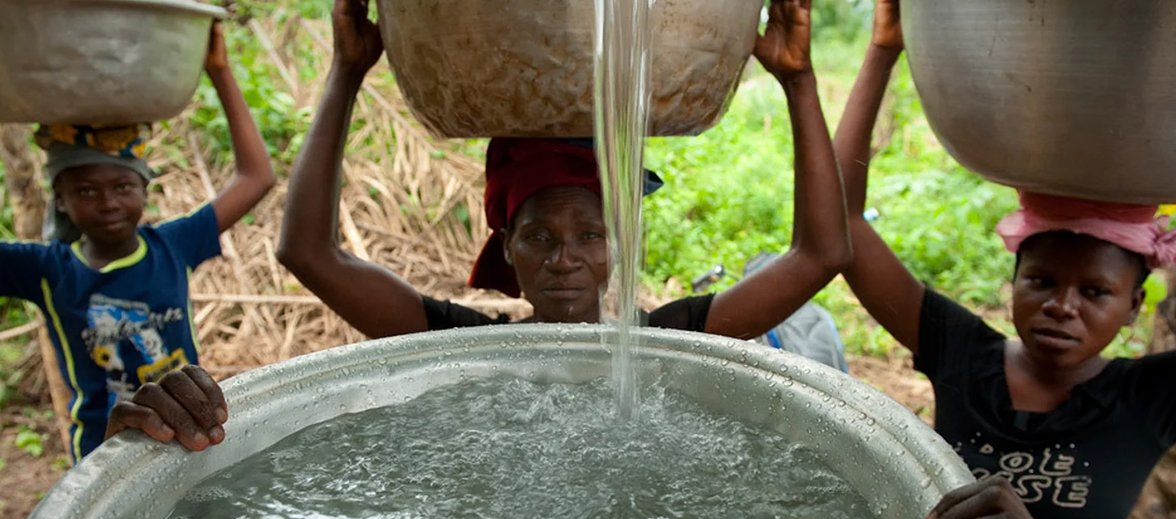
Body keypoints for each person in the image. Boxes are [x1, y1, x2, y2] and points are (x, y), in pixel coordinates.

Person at [835, 1, 1176, 519]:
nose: (1062, 305)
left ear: (1135, 308)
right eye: (1041, 281)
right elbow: (845, 227)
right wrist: (884, 51)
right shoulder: (962, 355)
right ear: (1011, 284)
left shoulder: (1152, 396)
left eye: (1094, 293)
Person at [275, 0, 849, 341]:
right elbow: (308, 253)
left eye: (590, 236)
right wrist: (346, 72)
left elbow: (820, 256)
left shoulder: (673, 341)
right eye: (540, 237)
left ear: (620, 245)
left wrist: (799, 82)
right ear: (506, 248)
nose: (565, 259)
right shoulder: (463, 349)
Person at [0, 23, 276, 463]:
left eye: (123, 187)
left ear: (145, 190)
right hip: (102, 453)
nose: (108, 202)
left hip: (186, 429)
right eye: (86, 191)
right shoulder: (50, 269)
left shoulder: (174, 245)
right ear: (62, 201)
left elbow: (257, 177)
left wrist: (219, 70)